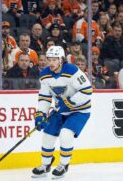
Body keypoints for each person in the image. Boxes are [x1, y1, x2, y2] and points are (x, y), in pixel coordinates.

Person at [32, 46, 92, 178]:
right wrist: (41, 114)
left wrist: (69, 103)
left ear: (61, 59)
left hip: (80, 110)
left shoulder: (72, 70)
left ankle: (64, 164)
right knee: (48, 134)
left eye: (54, 59)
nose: (51, 62)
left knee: (65, 134)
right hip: (61, 110)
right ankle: (45, 164)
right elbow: (45, 97)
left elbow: (87, 91)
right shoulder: (45, 74)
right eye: (49, 59)